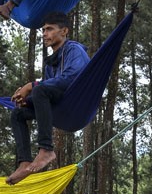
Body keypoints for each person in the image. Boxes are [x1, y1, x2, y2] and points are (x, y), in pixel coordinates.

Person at [5, 12, 90, 185]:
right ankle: (25, 161)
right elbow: (46, 93)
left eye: (49, 29)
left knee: (39, 88)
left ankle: (46, 150)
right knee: (18, 113)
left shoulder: (74, 50)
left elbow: (72, 78)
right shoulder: (51, 63)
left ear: (64, 31)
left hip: (76, 104)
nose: (44, 34)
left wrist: (30, 86)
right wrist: (26, 102)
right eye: (43, 30)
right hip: (59, 107)